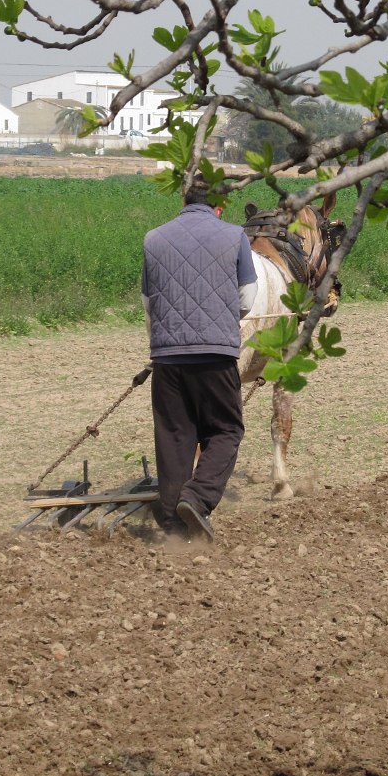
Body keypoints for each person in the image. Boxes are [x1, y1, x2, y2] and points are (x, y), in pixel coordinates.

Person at [141, 184, 258, 541]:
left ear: (183, 201)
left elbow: (148, 303)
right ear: (218, 206)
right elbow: (246, 298)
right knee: (226, 429)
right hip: (215, 354)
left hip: (167, 357)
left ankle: (176, 526)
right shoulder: (235, 235)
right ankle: (197, 497)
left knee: (176, 435)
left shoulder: (154, 238)